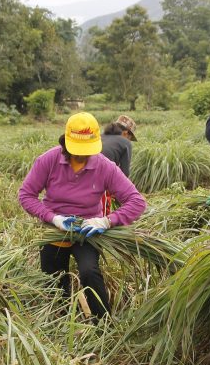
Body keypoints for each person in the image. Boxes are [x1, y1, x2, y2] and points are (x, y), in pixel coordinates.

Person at [19, 112, 146, 319]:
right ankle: (60, 320)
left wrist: (106, 221)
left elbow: (136, 202)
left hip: (87, 230)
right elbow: (26, 195)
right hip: (54, 231)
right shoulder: (49, 160)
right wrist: (53, 218)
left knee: (89, 272)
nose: (82, 155)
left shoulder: (104, 166)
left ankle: (103, 323)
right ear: (66, 142)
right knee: (54, 280)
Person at [100, 115, 138, 214]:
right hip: (101, 179)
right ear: (126, 133)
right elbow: (125, 173)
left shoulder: (100, 136)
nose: (129, 140)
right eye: (130, 137)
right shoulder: (125, 142)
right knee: (101, 213)